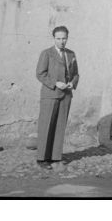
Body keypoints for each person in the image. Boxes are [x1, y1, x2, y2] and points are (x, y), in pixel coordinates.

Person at [35, 26, 79, 169]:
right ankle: (42, 158)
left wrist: (72, 83)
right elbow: (40, 74)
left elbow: (76, 74)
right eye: (58, 38)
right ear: (54, 38)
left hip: (66, 95)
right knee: (46, 125)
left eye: (64, 38)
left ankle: (55, 157)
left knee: (60, 126)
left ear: (67, 38)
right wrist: (55, 83)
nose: (61, 41)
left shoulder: (71, 54)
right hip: (50, 94)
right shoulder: (47, 54)